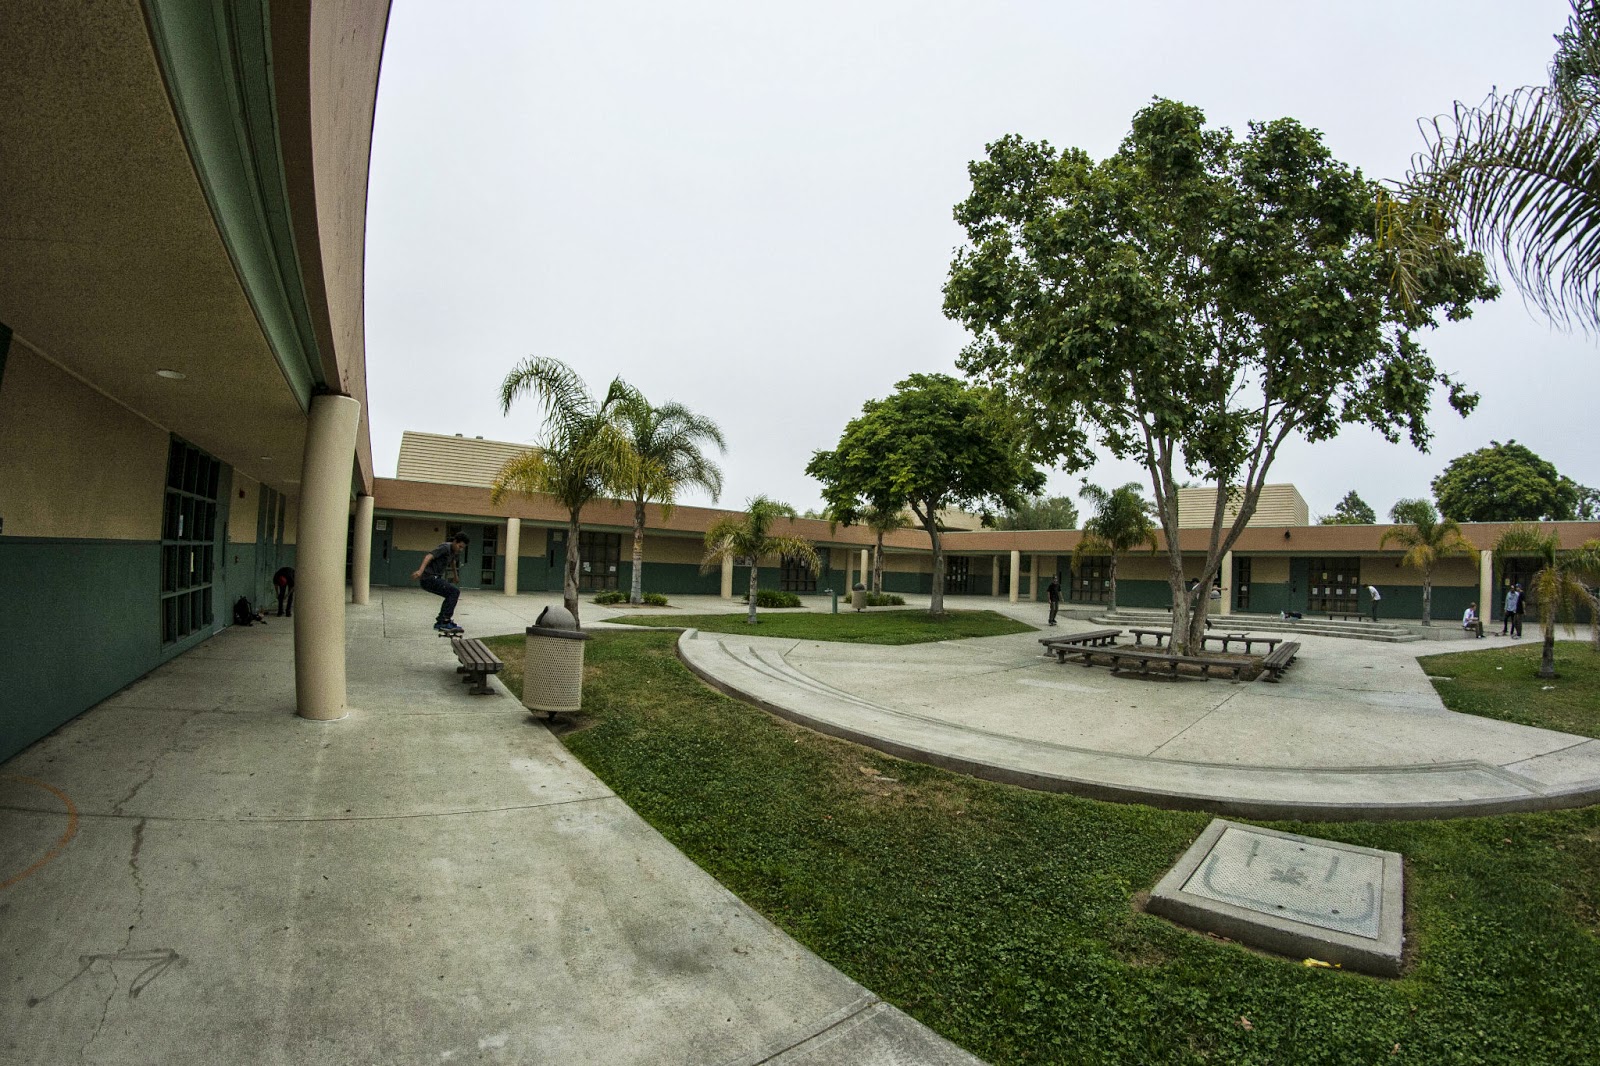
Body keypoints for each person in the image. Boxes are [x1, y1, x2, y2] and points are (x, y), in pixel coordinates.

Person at [413, 533, 468, 633]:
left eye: (462, 548)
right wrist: (420, 571)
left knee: (451, 593)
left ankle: (442, 621)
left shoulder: (453, 551)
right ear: (455, 541)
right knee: (454, 592)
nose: (460, 549)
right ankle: (444, 621)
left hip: (434, 578)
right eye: (460, 546)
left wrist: (455, 576)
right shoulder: (445, 547)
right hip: (428, 578)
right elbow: (429, 556)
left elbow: (452, 562)